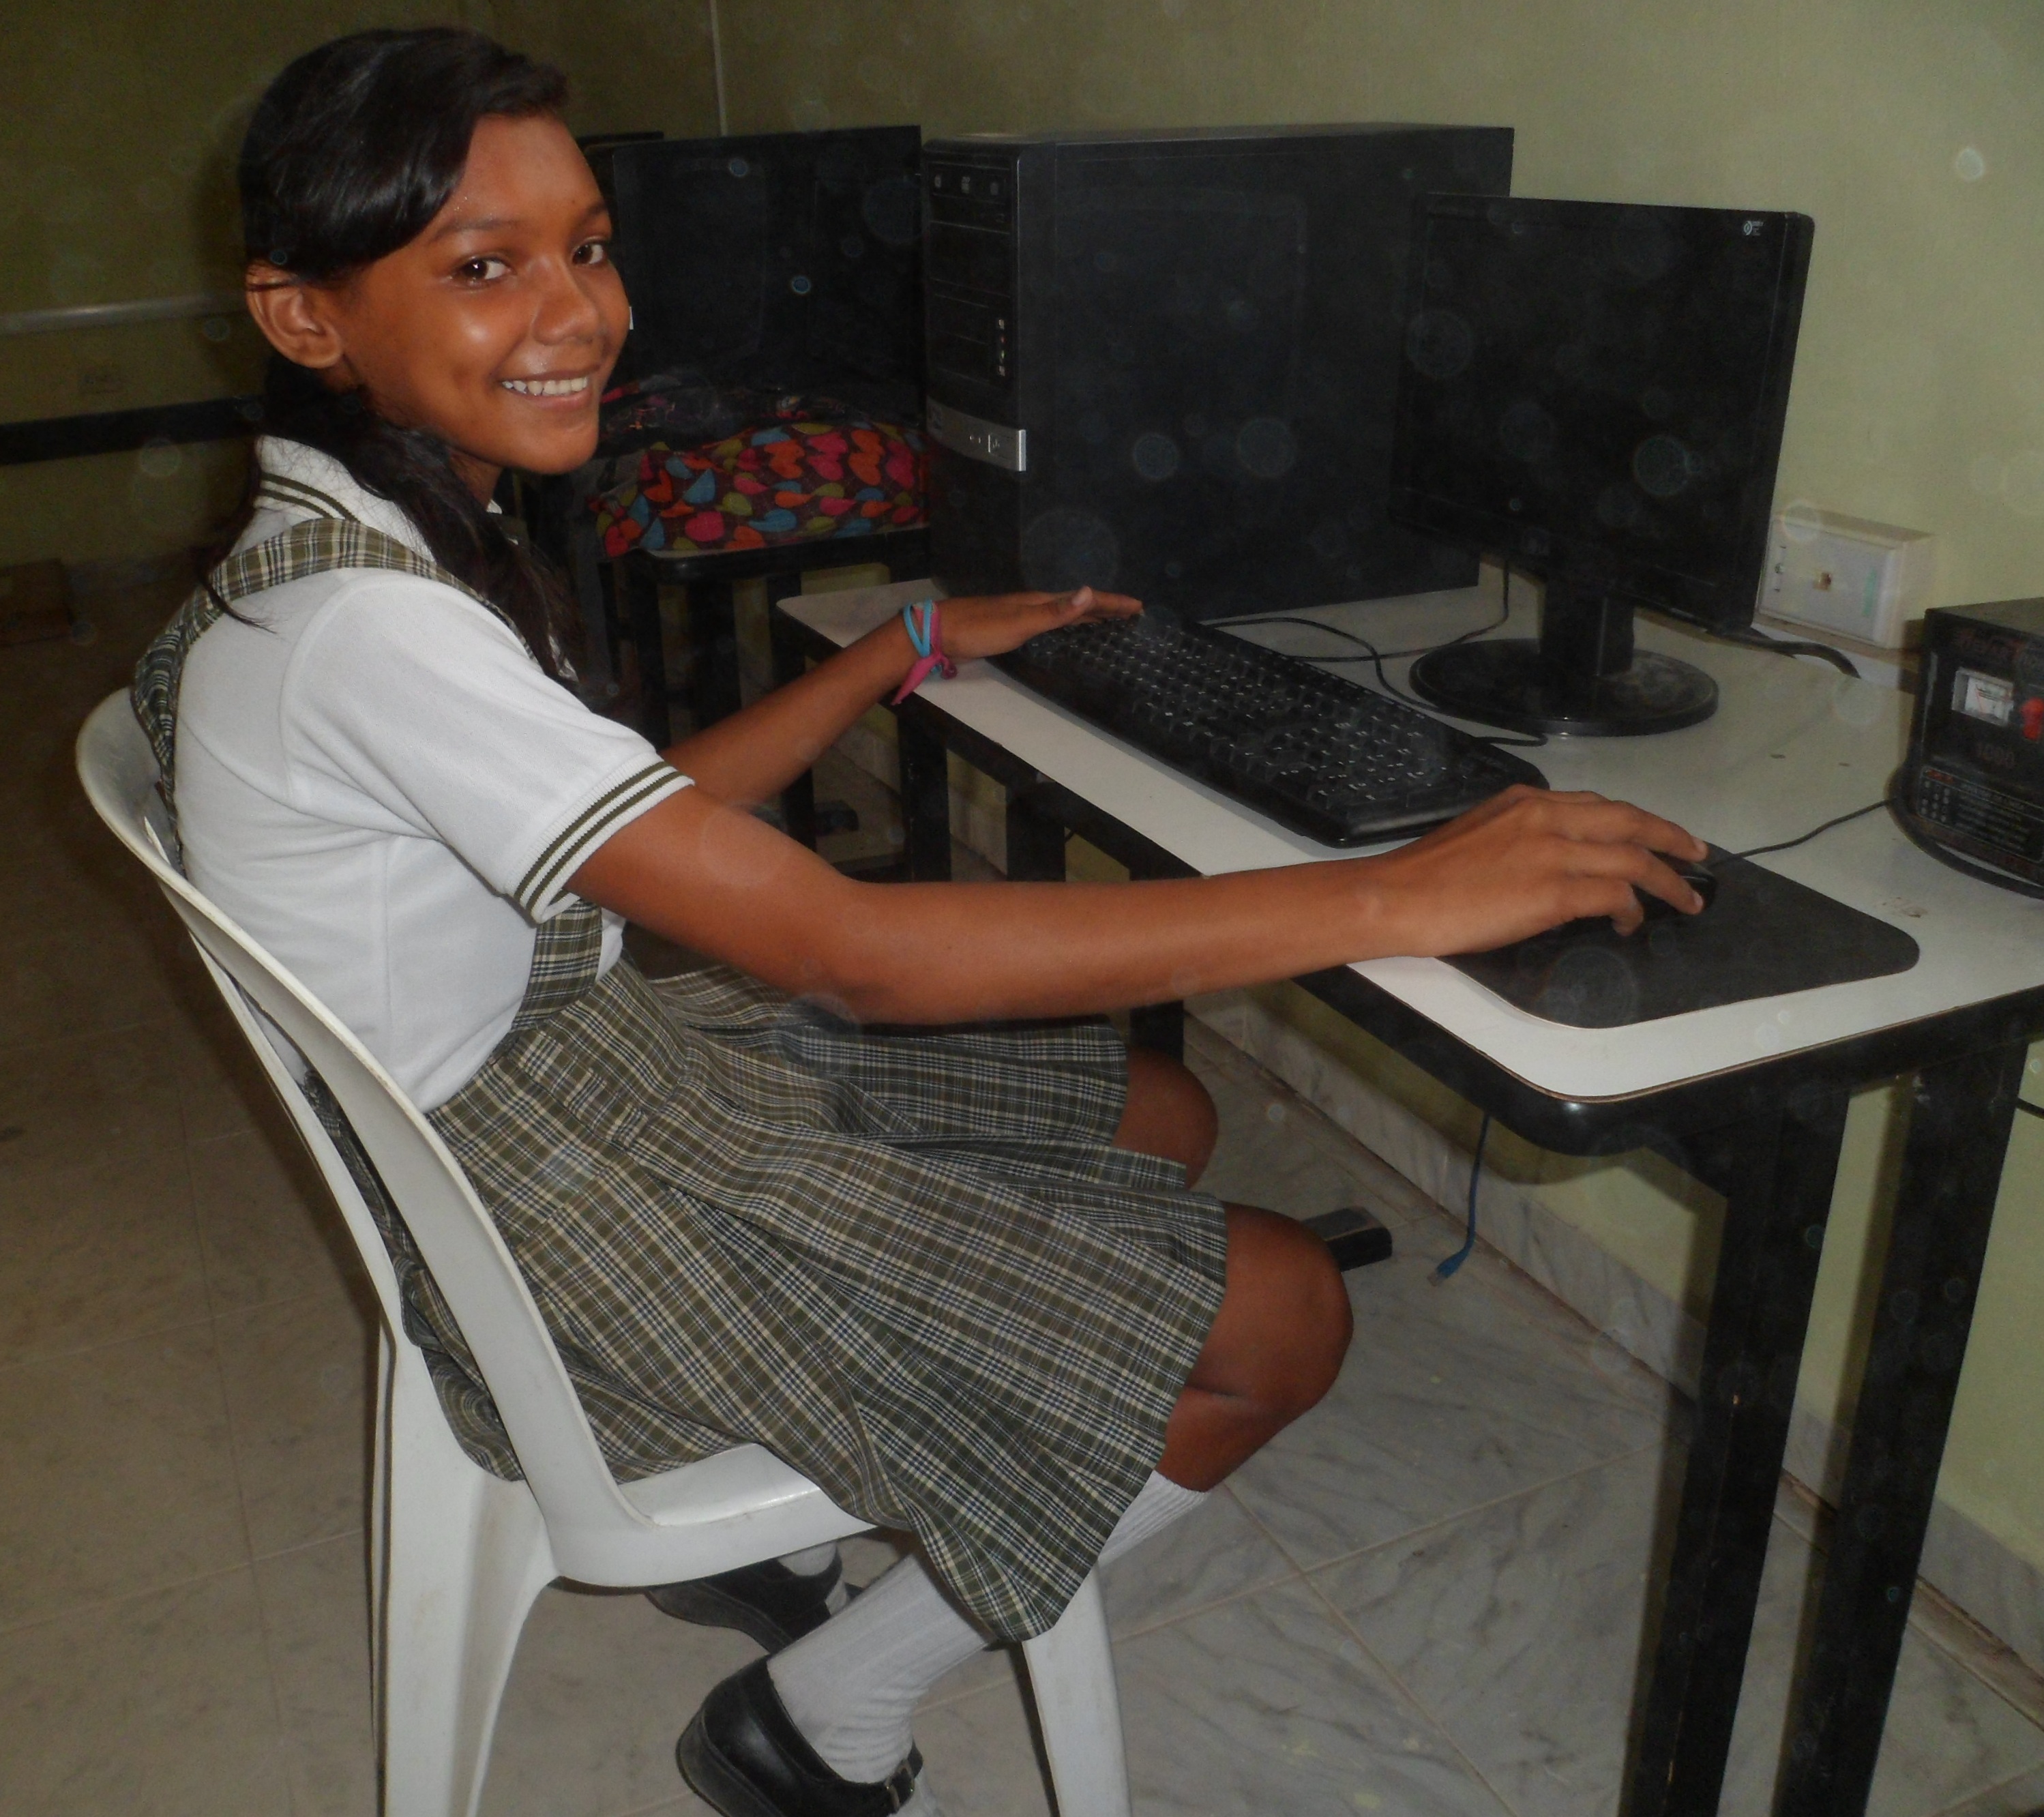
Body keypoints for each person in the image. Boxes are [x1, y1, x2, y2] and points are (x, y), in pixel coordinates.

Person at [148, 29, 1708, 1817]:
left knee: (1158, 1111)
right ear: (306, 316)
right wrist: (1391, 894)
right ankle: (820, 1713)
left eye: (587, 246)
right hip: (556, 1212)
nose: (581, 313)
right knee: (1283, 1322)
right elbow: (853, 955)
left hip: (573, 1084)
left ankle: (850, 1519)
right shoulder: (373, 632)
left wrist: (902, 650)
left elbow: (643, 815)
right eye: (483, 267)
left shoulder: (351, 548)